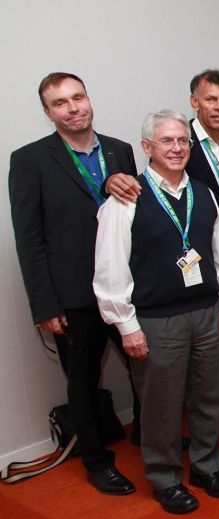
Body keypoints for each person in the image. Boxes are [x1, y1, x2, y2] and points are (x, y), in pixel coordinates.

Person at [105, 69, 219, 458]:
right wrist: (110, 182)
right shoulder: (174, 151)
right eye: (210, 99)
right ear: (194, 101)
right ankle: (171, 456)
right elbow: (136, 199)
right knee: (174, 381)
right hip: (174, 286)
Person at [93, 109, 219, 514]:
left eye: (182, 141)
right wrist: (126, 325)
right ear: (147, 148)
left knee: (210, 398)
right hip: (156, 321)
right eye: (167, 141)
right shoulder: (126, 199)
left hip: (206, 313)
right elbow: (110, 268)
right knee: (161, 403)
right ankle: (165, 478)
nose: (177, 148)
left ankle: (207, 467)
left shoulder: (203, 193)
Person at [9, 72, 139, 496]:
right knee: (83, 382)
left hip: (124, 287)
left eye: (78, 97)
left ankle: (146, 433)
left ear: (89, 99)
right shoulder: (29, 160)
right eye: (61, 103)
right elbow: (29, 239)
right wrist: (45, 306)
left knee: (147, 369)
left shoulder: (120, 150)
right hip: (73, 295)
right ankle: (98, 462)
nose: (73, 107)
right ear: (49, 113)